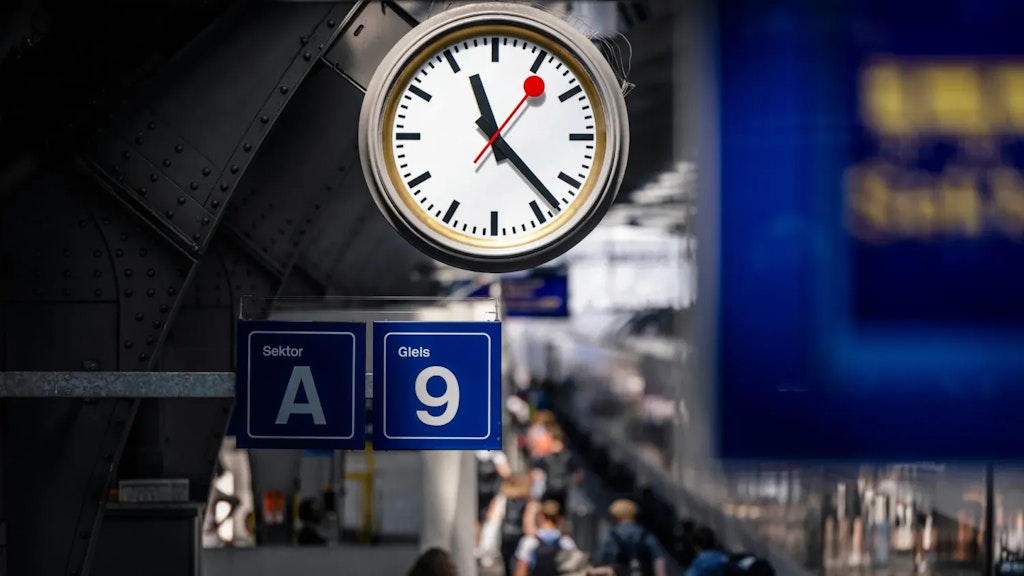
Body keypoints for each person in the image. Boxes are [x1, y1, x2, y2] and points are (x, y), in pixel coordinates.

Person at [594, 499, 666, 576]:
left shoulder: (611, 537)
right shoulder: (645, 535)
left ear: (616, 516)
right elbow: (659, 560)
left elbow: (601, 562)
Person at [481, 474, 533, 576]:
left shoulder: (503, 499)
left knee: (507, 561)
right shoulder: (525, 500)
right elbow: (528, 518)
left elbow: (493, 516)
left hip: (506, 534)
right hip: (520, 534)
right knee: (519, 560)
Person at [513, 500, 580, 576]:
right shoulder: (566, 542)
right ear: (558, 518)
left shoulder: (529, 541)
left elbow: (521, 569)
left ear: (541, 517)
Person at [531, 426, 583, 514]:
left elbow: (577, 472)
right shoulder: (550, 457)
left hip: (559, 489)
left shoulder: (565, 457)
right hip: (553, 489)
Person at [477, 449, 512, 547]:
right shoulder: (496, 454)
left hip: (483, 493)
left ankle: (478, 545)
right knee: (490, 521)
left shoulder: (493, 454)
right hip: (490, 493)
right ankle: (483, 546)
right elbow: (507, 473)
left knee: (482, 520)